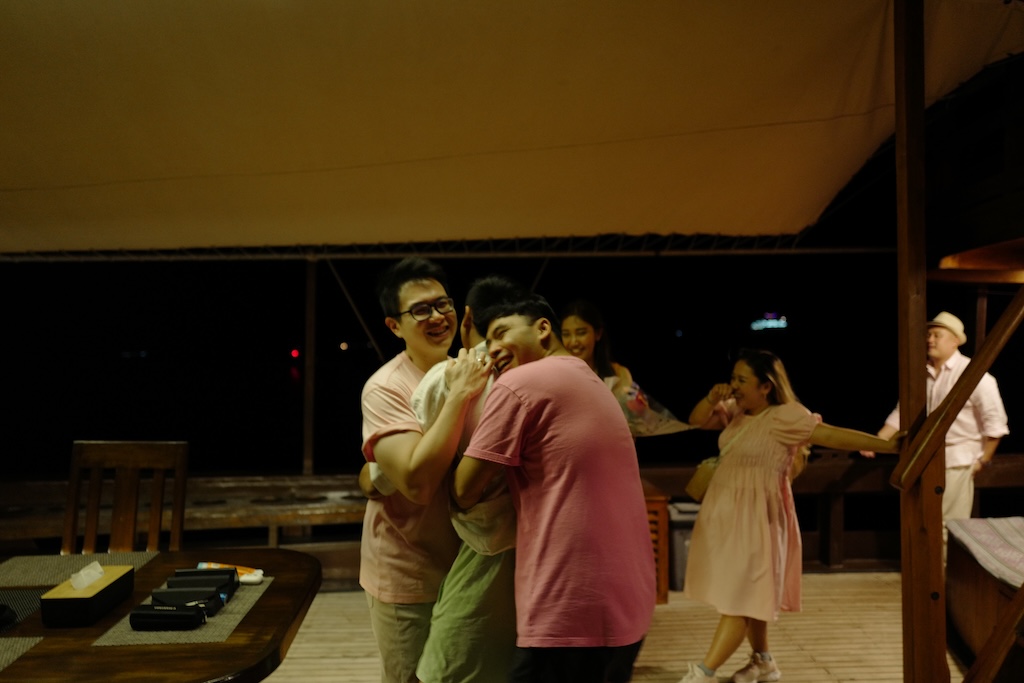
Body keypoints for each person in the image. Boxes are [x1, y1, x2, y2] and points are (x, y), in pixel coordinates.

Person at [453, 292, 656, 683]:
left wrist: (460, 392)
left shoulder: (521, 382)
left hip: (569, 605)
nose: (492, 349)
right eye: (487, 342)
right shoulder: (591, 380)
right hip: (626, 603)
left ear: (543, 328)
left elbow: (464, 489)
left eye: (501, 333)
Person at [678, 349, 903, 683]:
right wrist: (711, 397)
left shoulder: (787, 416)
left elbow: (830, 434)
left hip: (759, 517)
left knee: (741, 597)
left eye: (742, 379)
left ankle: (703, 672)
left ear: (766, 386)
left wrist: (886, 445)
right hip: (727, 514)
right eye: (733, 378)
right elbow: (697, 420)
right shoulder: (736, 411)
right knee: (747, 593)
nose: (734, 385)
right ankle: (764, 662)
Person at [357, 257, 493, 683]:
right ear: (394, 326)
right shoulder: (386, 387)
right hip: (408, 569)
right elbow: (417, 484)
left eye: (442, 304)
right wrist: (458, 397)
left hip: (465, 565)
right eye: (420, 310)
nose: (436, 316)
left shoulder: (469, 370)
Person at [412, 275, 524, 683]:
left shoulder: (443, 378)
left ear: (467, 319)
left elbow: (423, 472)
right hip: (538, 539)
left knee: (448, 664)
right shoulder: (537, 376)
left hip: (485, 540)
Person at [862, 311, 1008, 555]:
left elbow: (995, 424)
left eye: (937, 335)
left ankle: (946, 576)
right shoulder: (922, 374)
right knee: (923, 523)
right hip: (922, 459)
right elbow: (902, 413)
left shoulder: (974, 374)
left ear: (955, 341)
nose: (930, 339)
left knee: (948, 525)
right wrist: (876, 441)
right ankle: (928, 574)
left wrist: (983, 460)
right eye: (928, 335)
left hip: (958, 458)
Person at [561, 299, 690, 437]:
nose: (573, 342)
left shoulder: (618, 374)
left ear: (598, 334)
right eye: (566, 334)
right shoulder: (558, 376)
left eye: (581, 333)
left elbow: (638, 420)